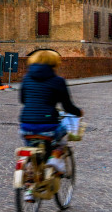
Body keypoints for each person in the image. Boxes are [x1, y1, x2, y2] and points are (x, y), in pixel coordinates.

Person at [18, 49, 83, 178]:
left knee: (33, 153)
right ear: (54, 63)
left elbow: (22, 100)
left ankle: (29, 190)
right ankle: (55, 158)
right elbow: (67, 106)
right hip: (48, 127)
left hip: (26, 127)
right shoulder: (58, 80)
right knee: (65, 130)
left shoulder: (26, 78)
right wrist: (78, 112)